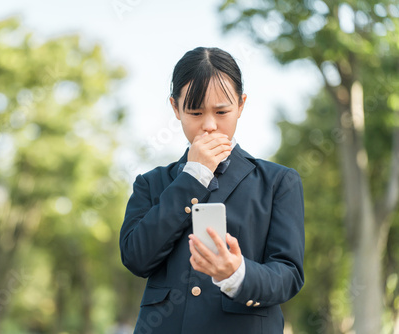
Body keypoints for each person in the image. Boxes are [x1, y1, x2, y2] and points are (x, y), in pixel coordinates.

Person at [119, 47, 304, 333]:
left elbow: (289, 274)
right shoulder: (151, 183)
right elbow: (136, 257)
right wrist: (193, 176)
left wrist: (237, 273)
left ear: (241, 105)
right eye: (195, 111)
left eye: (222, 111)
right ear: (175, 108)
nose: (209, 125)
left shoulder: (279, 182)